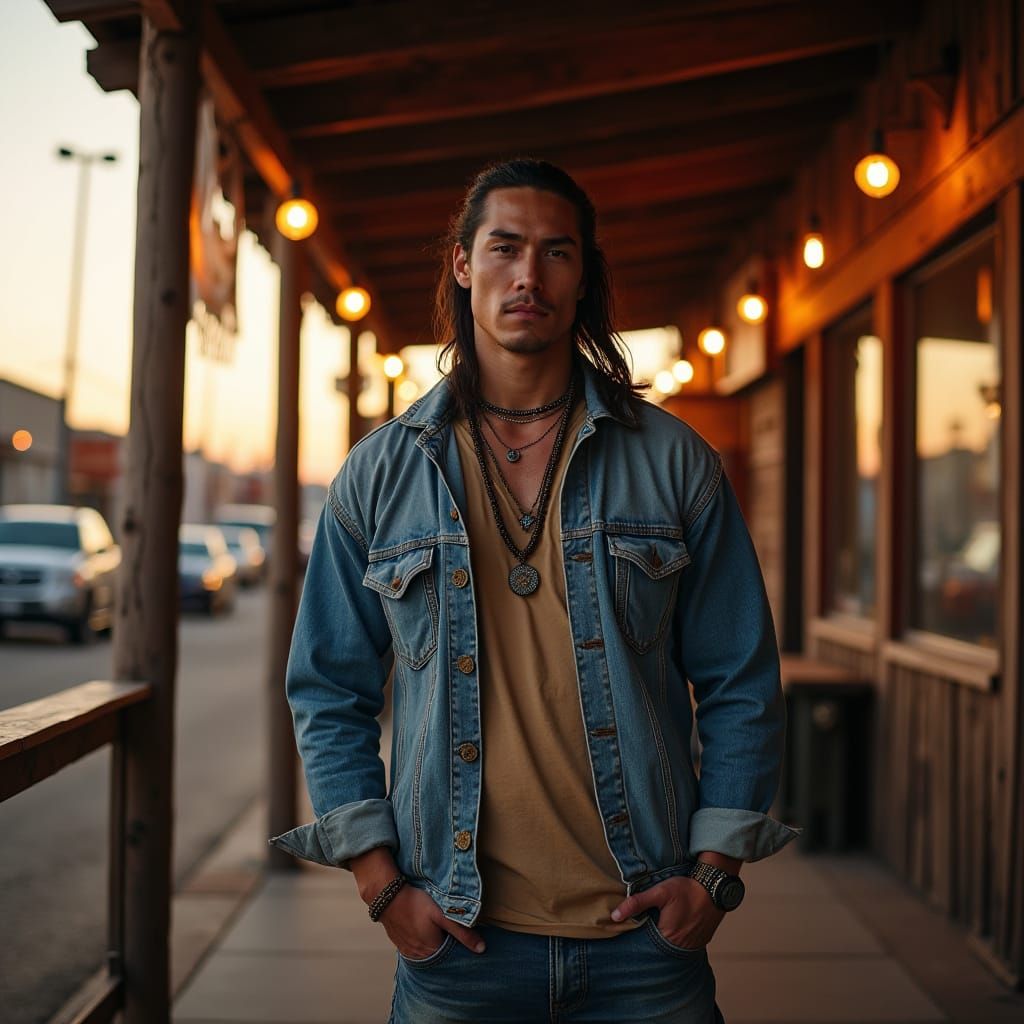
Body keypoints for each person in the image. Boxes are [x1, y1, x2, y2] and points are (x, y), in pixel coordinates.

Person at [272, 159, 798, 1023]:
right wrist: (380, 886)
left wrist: (713, 878)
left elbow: (741, 679)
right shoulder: (378, 475)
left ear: (583, 275)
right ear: (462, 265)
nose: (528, 274)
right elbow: (327, 689)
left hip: (645, 942)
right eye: (505, 247)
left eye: (556, 252)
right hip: (456, 940)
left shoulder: (673, 463)